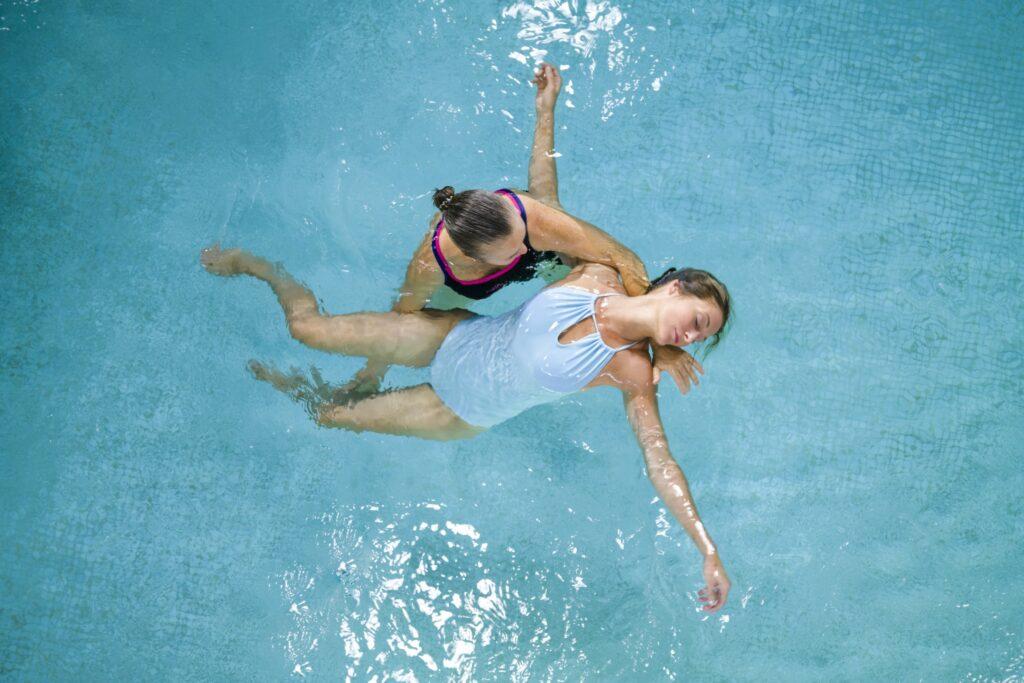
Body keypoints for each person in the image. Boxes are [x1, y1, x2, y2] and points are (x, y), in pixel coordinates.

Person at [200, 245, 732, 611]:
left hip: (458, 413)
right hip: (450, 340)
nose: (689, 336)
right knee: (305, 328)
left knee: (327, 415)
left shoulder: (632, 371)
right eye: (697, 319)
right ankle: (262, 267)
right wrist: (546, 109)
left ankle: (271, 378)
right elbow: (539, 216)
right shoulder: (596, 275)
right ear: (677, 287)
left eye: (698, 338)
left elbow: (658, 458)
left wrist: (707, 548)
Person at [344, 63, 704, 398]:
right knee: (429, 341)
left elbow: (623, 257)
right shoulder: (431, 266)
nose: (524, 253)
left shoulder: (530, 223)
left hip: (543, 230)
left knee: (592, 260)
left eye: (523, 238)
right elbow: (399, 319)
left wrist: (662, 346)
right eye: (514, 250)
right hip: (468, 285)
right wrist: (374, 371)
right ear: (474, 257)